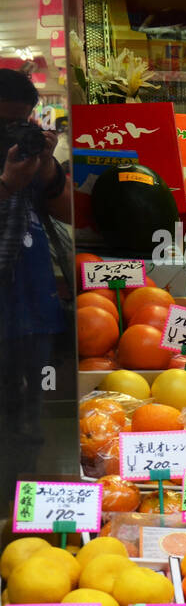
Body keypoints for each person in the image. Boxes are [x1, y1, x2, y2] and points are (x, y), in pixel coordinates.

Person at [0, 68, 73, 509]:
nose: (13, 132)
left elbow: (67, 213)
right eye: (4, 123)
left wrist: (44, 167)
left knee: (30, 412)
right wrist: (8, 182)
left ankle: (22, 508)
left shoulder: (23, 155)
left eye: (21, 123)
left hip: (29, 296)